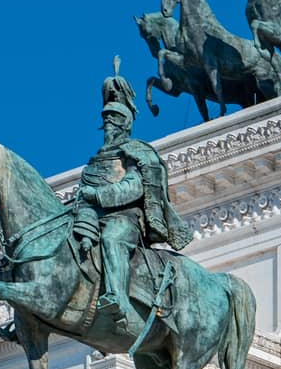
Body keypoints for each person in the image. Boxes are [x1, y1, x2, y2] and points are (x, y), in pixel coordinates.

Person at [72, 65, 192, 337]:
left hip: (126, 220)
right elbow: (85, 191)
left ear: (125, 124)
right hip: (93, 216)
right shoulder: (96, 160)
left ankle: (116, 296)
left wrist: (99, 195)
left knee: (112, 239)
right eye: (107, 120)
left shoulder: (137, 153)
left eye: (114, 120)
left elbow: (134, 187)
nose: (109, 126)